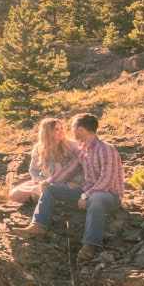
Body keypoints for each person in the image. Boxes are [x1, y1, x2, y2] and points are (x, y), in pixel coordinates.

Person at [11, 112, 124, 262]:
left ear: (81, 130)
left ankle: (90, 245)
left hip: (109, 195)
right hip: (86, 190)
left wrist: (85, 195)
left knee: (96, 198)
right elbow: (68, 170)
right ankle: (38, 225)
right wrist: (49, 181)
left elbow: (106, 182)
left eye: (73, 127)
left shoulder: (106, 149)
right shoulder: (83, 150)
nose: (70, 131)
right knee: (51, 189)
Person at [8, 117, 82, 204]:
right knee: (13, 195)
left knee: (40, 195)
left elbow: (81, 166)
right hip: (43, 182)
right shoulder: (39, 148)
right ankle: (35, 192)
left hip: (64, 183)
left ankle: (39, 196)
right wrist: (40, 182)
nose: (61, 131)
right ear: (48, 132)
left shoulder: (72, 145)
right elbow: (33, 170)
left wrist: (74, 181)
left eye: (61, 128)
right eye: (57, 129)